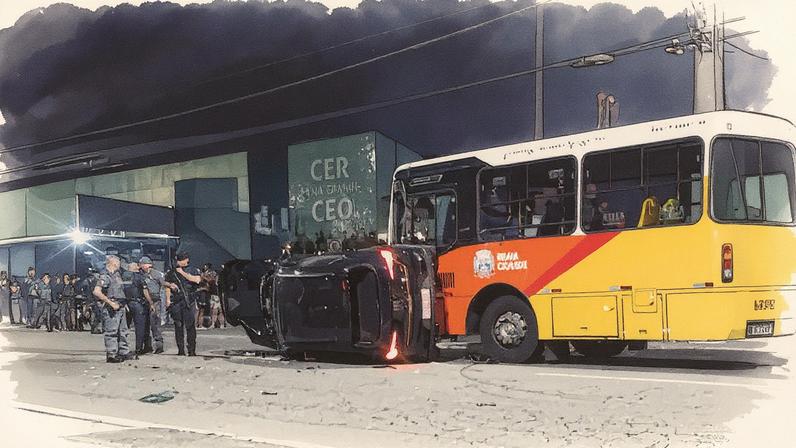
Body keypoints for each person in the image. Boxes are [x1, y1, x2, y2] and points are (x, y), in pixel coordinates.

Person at [93, 255, 135, 363]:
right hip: (111, 307)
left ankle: (123, 352)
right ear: (113, 263)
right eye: (118, 262)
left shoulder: (117, 275)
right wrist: (110, 303)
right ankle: (111, 354)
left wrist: (124, 304)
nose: (120, 264)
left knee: (123, 331)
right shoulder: (105, 276)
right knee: (111, 331)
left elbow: (120, 290)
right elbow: (96, 291)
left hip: (121, 306)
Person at [165, 252, 201, 356]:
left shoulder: (193, 270)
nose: (178, 262)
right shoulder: (172, 272)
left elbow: (197, 280)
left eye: (181, 260)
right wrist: (168, 299)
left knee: (190, 326)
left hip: (189, 300)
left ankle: (191, 350)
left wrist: (182, 273)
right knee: (178, 325)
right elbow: (167, 285)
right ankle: (180, 349)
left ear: (186, 260)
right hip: (176, 301)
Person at [139, 256, 172, 354]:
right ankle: (147, 346)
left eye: (143, 264)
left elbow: (163, 283)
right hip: (143, 301)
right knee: (144, 325)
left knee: (155, 324)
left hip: (155, 300)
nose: (141, 266)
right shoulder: (141, 275)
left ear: (149, 265)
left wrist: (170, 285)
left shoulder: (157, 274)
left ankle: (159, 346)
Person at [124, 262, 151, 355]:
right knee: (140, 327)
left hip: (126, 304)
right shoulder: (139, 277)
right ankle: (138, 348)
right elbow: (145, 290)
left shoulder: (122, 277)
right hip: (138, 304)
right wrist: (151, 303)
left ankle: (123, 348)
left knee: (124, 327)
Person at [196, 263, 217, 329]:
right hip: (201, 293)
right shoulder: (201, 273)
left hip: (207, 292)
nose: (204, 267)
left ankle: (201, 324)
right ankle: (198, 324)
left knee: (204, 309)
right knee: (199, 310)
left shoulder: (211, 273)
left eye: (206, 266)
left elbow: (212, 281)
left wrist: (204, 277)